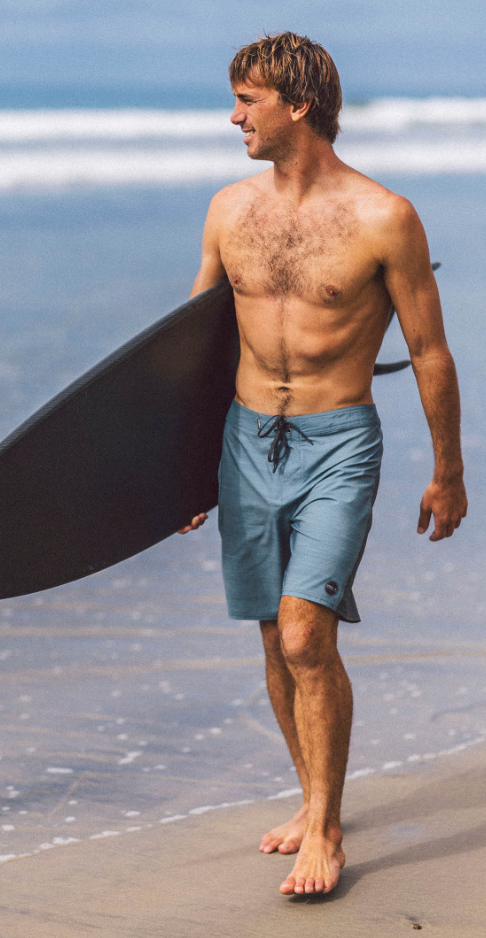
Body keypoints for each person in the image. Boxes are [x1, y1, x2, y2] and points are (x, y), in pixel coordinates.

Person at [178, 31, 467, 896]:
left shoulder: (386, 217)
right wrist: (176, 468)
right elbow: (191, 349)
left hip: (337, 442)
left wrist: (448, 472)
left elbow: (430, 353)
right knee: (274, 634)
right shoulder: (229, 209)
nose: (235, 117)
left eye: (248, 100)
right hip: (242, 440)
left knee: (309, 636)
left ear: (298, 105)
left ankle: (328, 831)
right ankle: (311, 797)